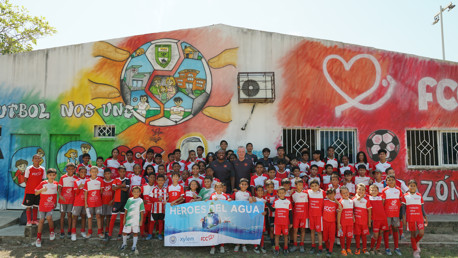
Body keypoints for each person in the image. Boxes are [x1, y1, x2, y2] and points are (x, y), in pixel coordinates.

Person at [401, 180, 428, 258]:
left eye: (414, 186)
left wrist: (425, 217)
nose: (412, 187)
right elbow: (403, 209)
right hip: (410, 218)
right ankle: (415, 251)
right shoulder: (405, 196)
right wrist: (403, 218)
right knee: (413, 234)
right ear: (408, 187)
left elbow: (422, 208)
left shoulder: (419, 195)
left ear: (416, 187)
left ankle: (415, 243)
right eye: (411, 186)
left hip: (419, 217)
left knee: (421, 233)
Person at [34, 168, 58, 247]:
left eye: (53, 175)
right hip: (42, 205)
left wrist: (55, 203)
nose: (51, 176)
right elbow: (36, 193)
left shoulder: (56, 184)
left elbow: (55, 194)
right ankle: (38, 238)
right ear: (47, 175)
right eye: (50, 175)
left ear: (55, 176)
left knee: (49, 217)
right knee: (41, 220)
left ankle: (51, 232)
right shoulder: (43, 183)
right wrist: (42, 189)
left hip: (50, 205)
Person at [106, 166, 130, 241]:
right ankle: (109, 234)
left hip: (124, 202)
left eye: (123, 172)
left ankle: (120, 233)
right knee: (113, 218)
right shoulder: (116, 179)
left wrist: (118, 187)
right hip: (116, 202)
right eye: (121, 171)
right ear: (118, 172)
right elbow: (113, 188)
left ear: (125, 172)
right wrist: (121, 186)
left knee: (122, 219)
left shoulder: (127, 179)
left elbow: (126, 189)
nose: (122, 173)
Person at [381, 175, 403, 256]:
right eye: (389, 180)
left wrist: (400, 213)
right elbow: (382, 203)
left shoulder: (398, 190)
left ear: (395, 181)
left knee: (395, 229)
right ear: (386, 182)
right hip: (387, 214)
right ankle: (387, 248)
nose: (391, 181)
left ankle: (396, 247)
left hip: (396, 214)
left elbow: (401, 202)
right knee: (386, 230)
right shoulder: (384, 190)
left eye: (392, 180)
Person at [23, 154, 46, 226]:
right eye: (35, 158)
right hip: (29, 191)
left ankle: (35, 220)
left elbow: (42, 180)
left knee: (36, 206)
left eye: (38, 158)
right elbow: (25, 179)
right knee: (28, 206)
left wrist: (38, 189)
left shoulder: (42, 169)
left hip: (38, 191)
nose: (37, 159)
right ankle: (29, 221)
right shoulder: (29, 168)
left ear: (40, 160)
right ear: (32, 160)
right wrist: (30, 186)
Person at [209, 182, 231, 255]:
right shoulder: (212, 195)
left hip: (222, 216)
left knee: (222, 231)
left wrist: (229, 201)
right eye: (217, 187)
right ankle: (213, 246)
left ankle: (222, 246)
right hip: (214, 216)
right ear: (215, 188)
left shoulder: (225, 196)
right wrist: (211, 201)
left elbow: (228, 205)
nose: (219, 189)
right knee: (214, 231)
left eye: (220, 187)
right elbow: (208, 204)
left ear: (223, 188)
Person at [120, 186, 145, 253]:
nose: (136, 193)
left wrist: (141, 220)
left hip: (136, 220)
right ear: (132, 192)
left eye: (137, 192)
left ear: (140, 193)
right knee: (125, 232)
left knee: (135, 232)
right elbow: (126, 210)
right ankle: (124, 244)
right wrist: (124, 219)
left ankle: (134, 245)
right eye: (134, 192)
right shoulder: (129, 200)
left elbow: (142, 211)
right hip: (128, 219)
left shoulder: (140, 200)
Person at [269, 187, 292, 255]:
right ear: (277, 193)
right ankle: (276, 249)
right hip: (277, 222)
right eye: (280, 193)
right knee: (277, 236)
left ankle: (286, 248)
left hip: (285, 222)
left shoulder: (288, 201)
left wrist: (291, 223)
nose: (281, 194)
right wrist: (267, 204)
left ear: (285, 193)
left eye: (283, 193)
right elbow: (272, 210)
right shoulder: (276, 201)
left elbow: (290, 213)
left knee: (285, 236)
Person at [231, 178, 251, 253]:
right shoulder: (236, 193)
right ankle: (237, 244)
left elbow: (251, 201)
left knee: (244, 229)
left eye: (245, 184)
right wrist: (230, 200)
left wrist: (252, 199)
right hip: (237, 214)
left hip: (245, 215)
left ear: (247, 186)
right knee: (237, 229)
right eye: (242, 184)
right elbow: (231, 199)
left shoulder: (249, 193)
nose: (244, 185)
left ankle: (244, 245)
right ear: (239, 185)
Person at [58, 163, 77, 238]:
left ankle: (69, 230)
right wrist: (60, 196)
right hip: (63, 200)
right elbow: (59, 188)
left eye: (72, 169)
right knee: (62, 214)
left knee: (69, 215)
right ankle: (62, 231)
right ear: (66, 169)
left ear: (75, 169)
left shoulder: (76, 178)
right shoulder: (63, 177)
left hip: (71, 200)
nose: (71, 170)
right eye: (69, 169)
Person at [368, 184, 388, 255]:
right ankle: (371, 248)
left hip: (383, 218)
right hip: (375, 219)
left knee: (380, 233)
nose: (373, 191)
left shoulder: (381, 197)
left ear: (378, 191)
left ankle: (378, 248)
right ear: (369, 191)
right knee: (375, 235)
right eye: (372, 190)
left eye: (375, 190)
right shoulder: (368, 198)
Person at [84, 167, 103, 238]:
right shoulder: (87, 181)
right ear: (90, 172)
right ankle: (89, 232)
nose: (94, 173)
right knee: (90, 217)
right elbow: (85, 193)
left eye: (95, 171)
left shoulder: (100, 180)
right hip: (89, 203)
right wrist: (86, 203)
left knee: (98, 216)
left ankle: (99, 232)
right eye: (92, 171)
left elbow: (101, 192)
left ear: (98, 172)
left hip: (98, 202)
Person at [353, 183, 372, 255]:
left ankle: (365, 248)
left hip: (364, 222)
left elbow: (369, 211)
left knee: (364, 235)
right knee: (357, 235)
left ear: (365, 191)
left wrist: (369, 222)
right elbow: (351, 210)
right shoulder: (353, 199)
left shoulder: (366, 200)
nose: (361, 191)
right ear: (356, 190)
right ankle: (358, 248)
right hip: (356, 222)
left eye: (363, 190)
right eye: (359, 189)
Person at [290, 178, 308, 253]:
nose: (301, 186)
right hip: (296, 215)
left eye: (302, 185)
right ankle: (295, 245)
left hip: (303, 215)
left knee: (303, 230)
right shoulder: (293, 194)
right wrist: (292, 191)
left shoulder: (306, 193)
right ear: (295, 185)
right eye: (299, 185)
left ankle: (301, 245)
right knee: (295, 230)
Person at [307, 179, 325, 255]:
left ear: (319, 186)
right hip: (311, 215)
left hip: (319, 216)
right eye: (312, 186)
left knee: (319, 232)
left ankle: (320, 247)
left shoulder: (322, 192)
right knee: (312, 231)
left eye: (316, 186)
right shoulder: (308, 192)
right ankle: (313, 246)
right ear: (310, 187)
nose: (314, 188)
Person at [71, 166, 88, 241]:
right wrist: (79, 187)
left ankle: (83, 231)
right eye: (81, 172)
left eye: (84, 172)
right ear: (78, 172)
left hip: (85, 202)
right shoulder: (76, 181)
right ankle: (73, 233)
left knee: (84, 216)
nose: (83, 173)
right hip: (77, 202)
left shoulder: (88, 180)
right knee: (75, 217)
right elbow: (76, 193)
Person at [323, 188, 340, 257]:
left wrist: (336, 201)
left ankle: (330, 250)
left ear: (335, 194)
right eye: (329, 194)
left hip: (332, 222)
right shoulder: (324, 201)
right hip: (324, 222)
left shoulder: (336, 203)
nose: (330, 195)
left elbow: (340, 209)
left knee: (332, 237)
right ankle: (327, 247)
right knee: (325, 237)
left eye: (332, 194)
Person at [150, 174, 168, 240]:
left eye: (162, 180)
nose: (160, 182)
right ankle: (150, 234)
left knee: (161, 222)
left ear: (164, 181)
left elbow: (168, 197)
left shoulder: (166, 189)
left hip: (163, 209)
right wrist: (157, 199)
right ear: (156, 181)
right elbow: (150, 198)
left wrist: (167, 201)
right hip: (154, 209)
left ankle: (160, 234)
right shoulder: (154, 189)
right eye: (159, 180)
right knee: (152, 222)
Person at [338, 186, 354, 256]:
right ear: (341, 194)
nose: (345, 194)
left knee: (349, 235)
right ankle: (343, 249)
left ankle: (348, 248)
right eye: (343, 193)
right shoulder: (340, 202)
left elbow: (352, 210)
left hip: (350, 222)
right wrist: (338, 223)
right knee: (342, 236)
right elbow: (338, 214)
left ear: (349, 192)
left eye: (347, 192)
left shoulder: (351, 201)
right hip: (343, 223)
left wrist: (353, 217)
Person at [253, 185, 267, 254]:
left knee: (262, 233)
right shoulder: (253, 199)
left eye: (262, 190)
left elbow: (266, 210)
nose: (260, 192)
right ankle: (255, 246)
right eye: (259, 190)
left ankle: (262, 246)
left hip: (262, 219)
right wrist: (251, 198)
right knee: (256, 232)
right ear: (256, 191)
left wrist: (265, 212)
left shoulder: (264, 200)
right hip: (255, 219)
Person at [143, 173, 156, 240]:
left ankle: (149, 233)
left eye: (154, 177)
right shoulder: (144, 186)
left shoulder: (156, 187)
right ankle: (142, 233)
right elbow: (138, 195)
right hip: (145, 206)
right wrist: (142, 200)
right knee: (143, 219)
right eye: (151, 177)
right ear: (148, 178)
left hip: (153, 206)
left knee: (151, 220)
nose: (152, 179)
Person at [101, 168, 114, 238]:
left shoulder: (113, 182)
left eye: (109, 174)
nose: (107, 175)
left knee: (108, 216)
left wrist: (113, 200)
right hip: (103, 202)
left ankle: (107, 229)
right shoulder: (102, 181)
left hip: (110, 202)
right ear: (104, 175)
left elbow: (115, 192)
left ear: (111, 174)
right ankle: (101, 229)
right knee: (102, 216)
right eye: (106, 174)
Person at [264, 179, 277, 246]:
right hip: (270, 215)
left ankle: (276, 242)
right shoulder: (265, 194)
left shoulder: (277, 192)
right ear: (266, 187)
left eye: (272, 187)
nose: (270, 189)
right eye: (268, 187)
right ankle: (272, 244)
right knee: (272, 229)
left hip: (277, 214)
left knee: (276, 229)